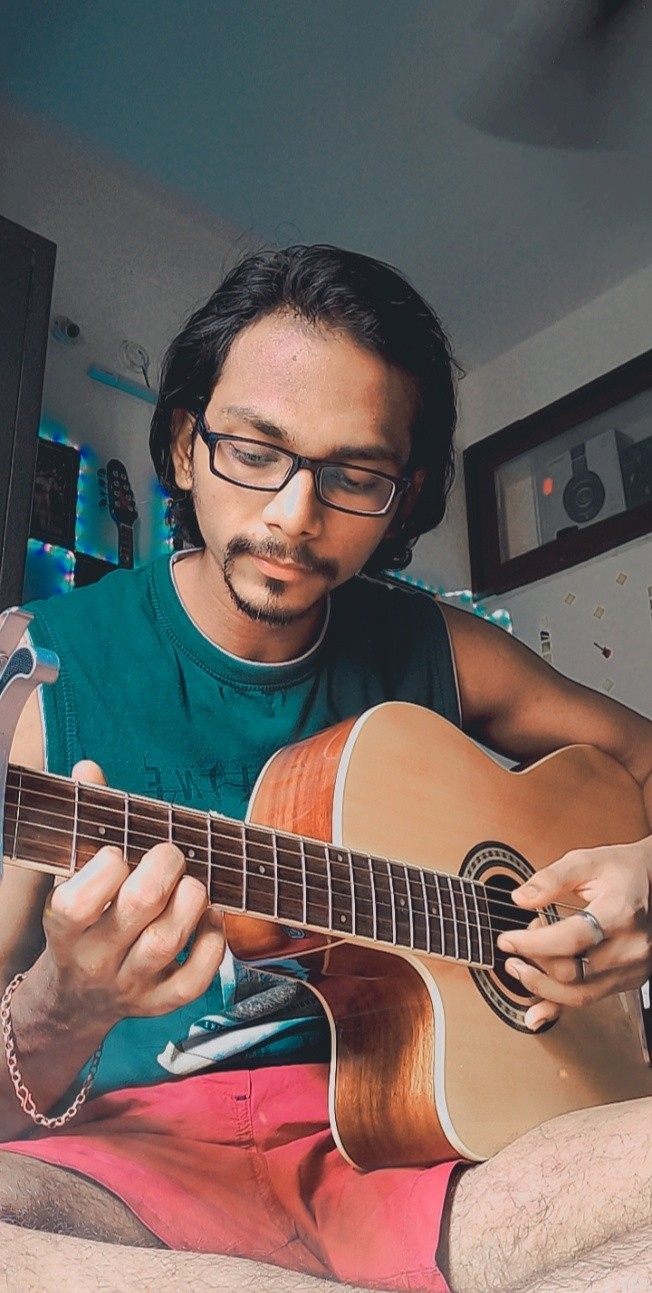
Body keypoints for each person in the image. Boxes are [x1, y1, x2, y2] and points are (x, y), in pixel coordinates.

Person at [0, 245, 651, 1293]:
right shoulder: (39, 673)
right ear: (185, 445)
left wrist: (644, 878)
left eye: (355, 476)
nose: (294, 515)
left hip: (426, 1163)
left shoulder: (441, 649)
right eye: (255, 451)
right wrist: (63, 1004)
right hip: (124, 1176)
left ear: (405, 493)